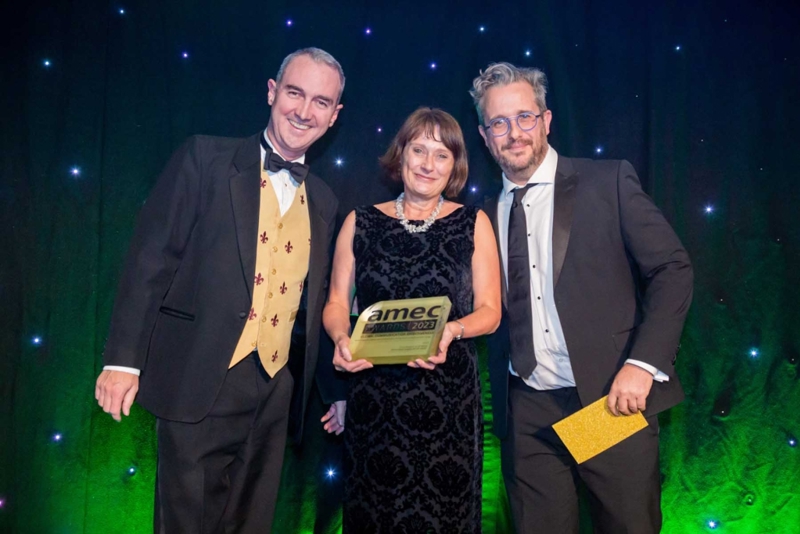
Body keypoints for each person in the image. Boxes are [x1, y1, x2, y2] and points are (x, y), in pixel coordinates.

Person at [94, 47, 345, 533]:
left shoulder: (326, 200)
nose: (304, 110)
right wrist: (123, 360)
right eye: (295, 93)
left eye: (320, 102)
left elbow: (314, 305)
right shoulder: (203, 158)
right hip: (199, 375)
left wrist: (333, 391)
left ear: (334, 116)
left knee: (251, 523)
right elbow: (151, 260)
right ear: (272, 92)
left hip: (275, 389)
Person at [472, 62, 693, 533]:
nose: (514, 132)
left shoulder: (607, 181)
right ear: (485, 134)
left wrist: (643, 363)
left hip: (606, 400)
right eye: (499, 122)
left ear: (546, 120)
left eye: (525, 117)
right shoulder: (483, 216)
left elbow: (672, 269)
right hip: (526, 410)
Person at [321, 107, 501, 533]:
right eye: (418, 150)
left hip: (448, 399)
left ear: (455, 165)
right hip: (374, 398)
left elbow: (491, 312)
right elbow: (334, 303)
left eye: (441, 155)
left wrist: (452, 330)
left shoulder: (473, 223)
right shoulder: (359, 221)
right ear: (400, 155)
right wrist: (340, 338)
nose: (427, 163)